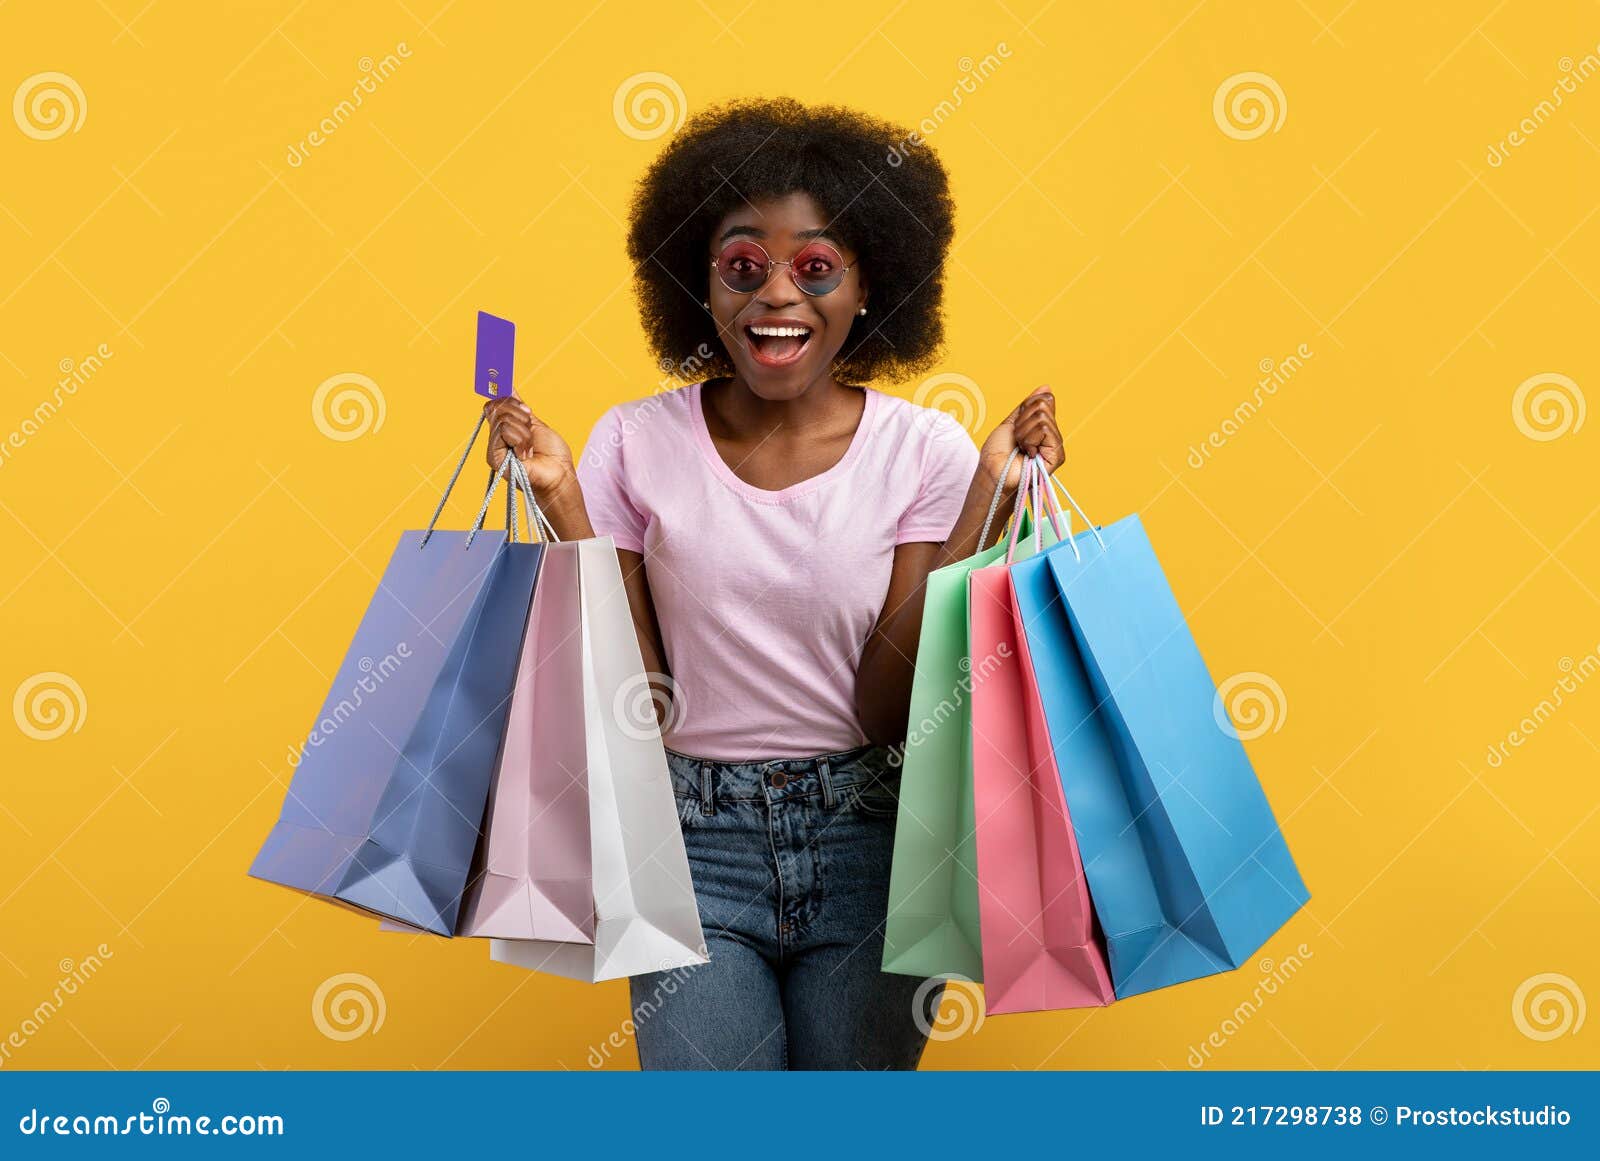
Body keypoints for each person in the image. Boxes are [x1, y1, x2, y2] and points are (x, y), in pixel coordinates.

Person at [484, 98, 1062, 1070]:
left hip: (872, 841)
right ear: (698, 287)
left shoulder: (921, 448)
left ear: (869, 285)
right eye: (742, 267)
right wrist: (559, 499)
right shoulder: (634, 440)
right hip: (692, 842)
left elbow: (890, 708)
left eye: (816, 268)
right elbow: (640, 695)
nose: (777, 296)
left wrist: (988, 505)